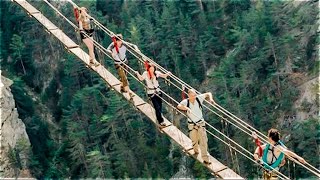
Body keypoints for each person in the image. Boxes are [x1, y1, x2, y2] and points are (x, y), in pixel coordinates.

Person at [177, 89, 215, 165]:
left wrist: (211, 99)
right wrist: (187, 108)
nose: (194, 97)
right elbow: (178, 106)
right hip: (191, 124)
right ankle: (196, 150)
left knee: (203, 141)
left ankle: (206, 159)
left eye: (195, 95)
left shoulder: (198, 98)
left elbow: (208, 93)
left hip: (200, 123)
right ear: (188, 95)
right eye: (192, 96)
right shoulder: (186, 102)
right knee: (194, 140)